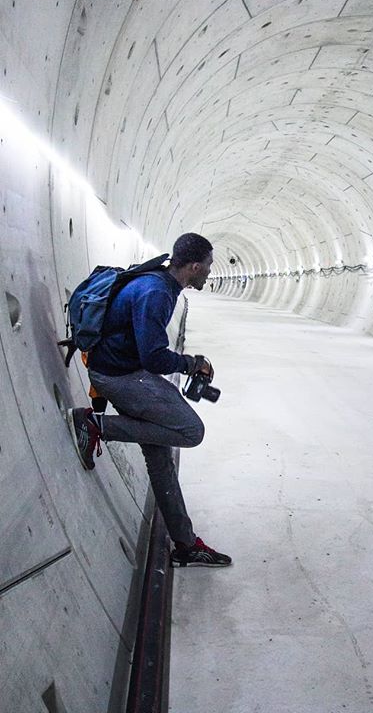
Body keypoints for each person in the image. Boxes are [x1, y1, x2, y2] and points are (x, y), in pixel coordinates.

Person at [67, 232, 231, 568]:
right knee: (190, 431)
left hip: (118, 368)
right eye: (209, 267)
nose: (210, 273)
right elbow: (154, 357)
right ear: (195, 266)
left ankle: (185, 545)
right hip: (119, 375)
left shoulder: (160, 281)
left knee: (158, 456)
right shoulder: (156, 293)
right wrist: (192, 363)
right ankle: (95, 425)